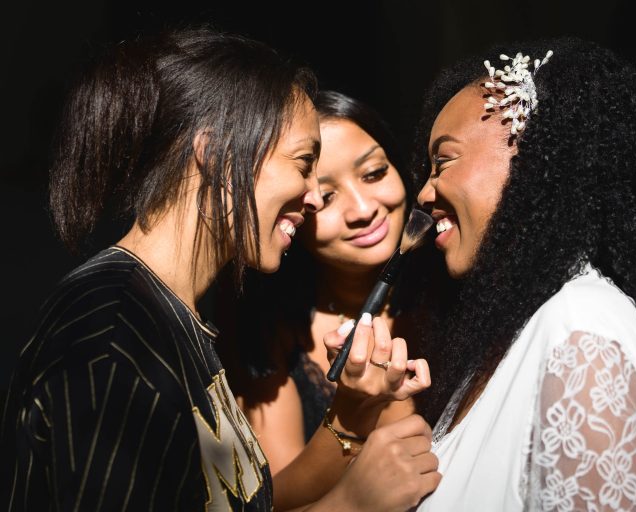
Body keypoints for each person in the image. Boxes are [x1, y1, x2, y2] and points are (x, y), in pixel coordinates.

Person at [0, 28, 439, 511]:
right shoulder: (114, 330)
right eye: (303, 164)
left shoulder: (173, 321)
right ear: (218, 155)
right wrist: (350, 506)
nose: (312, 198)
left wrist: (352, 416)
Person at [400, 37, 636, 510]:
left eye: (444, 160)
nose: (425, 193)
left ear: (533, 151)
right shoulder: (513, 334)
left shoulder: (583, 329)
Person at [215, 90, 418, 474]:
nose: (363, 209)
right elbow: (272, 497)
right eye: (325, 198)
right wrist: (350, 414)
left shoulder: (452, 291)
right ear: (292, 213)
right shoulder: (272, 330)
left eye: (374, 173)